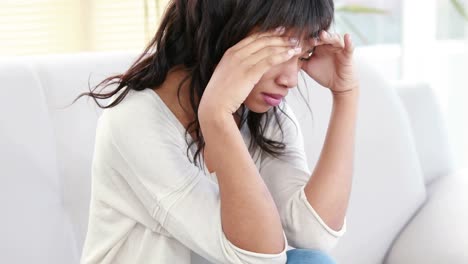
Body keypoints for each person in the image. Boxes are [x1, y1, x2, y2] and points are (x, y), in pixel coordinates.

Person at [76, 0, 359, 263]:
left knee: (311, 261)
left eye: (303, 54)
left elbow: (313, 234)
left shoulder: (265, 116)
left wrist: (346, 94)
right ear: (224, 21)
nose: (291, 79)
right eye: (278, 49)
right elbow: (260, 258)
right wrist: (217, 116)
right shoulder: (134, 122)